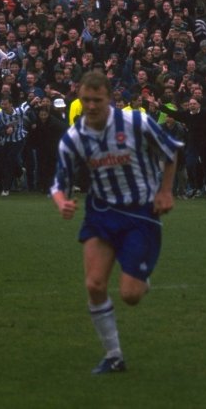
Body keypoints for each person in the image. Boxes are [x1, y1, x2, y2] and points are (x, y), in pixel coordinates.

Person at [50, 71, 181, 375]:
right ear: (79, 99)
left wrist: (165, 191)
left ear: (110, 98)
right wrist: (62, 203)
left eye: (97, 100)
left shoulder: (136, 122)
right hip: (101, 214)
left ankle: (140, 274)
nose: (91, 106)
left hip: (140, 215)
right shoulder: (74, 137)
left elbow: (171, 150)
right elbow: (59, 182)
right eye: (86, 100)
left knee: (130, 295)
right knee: (94, 284)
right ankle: (113, 356)